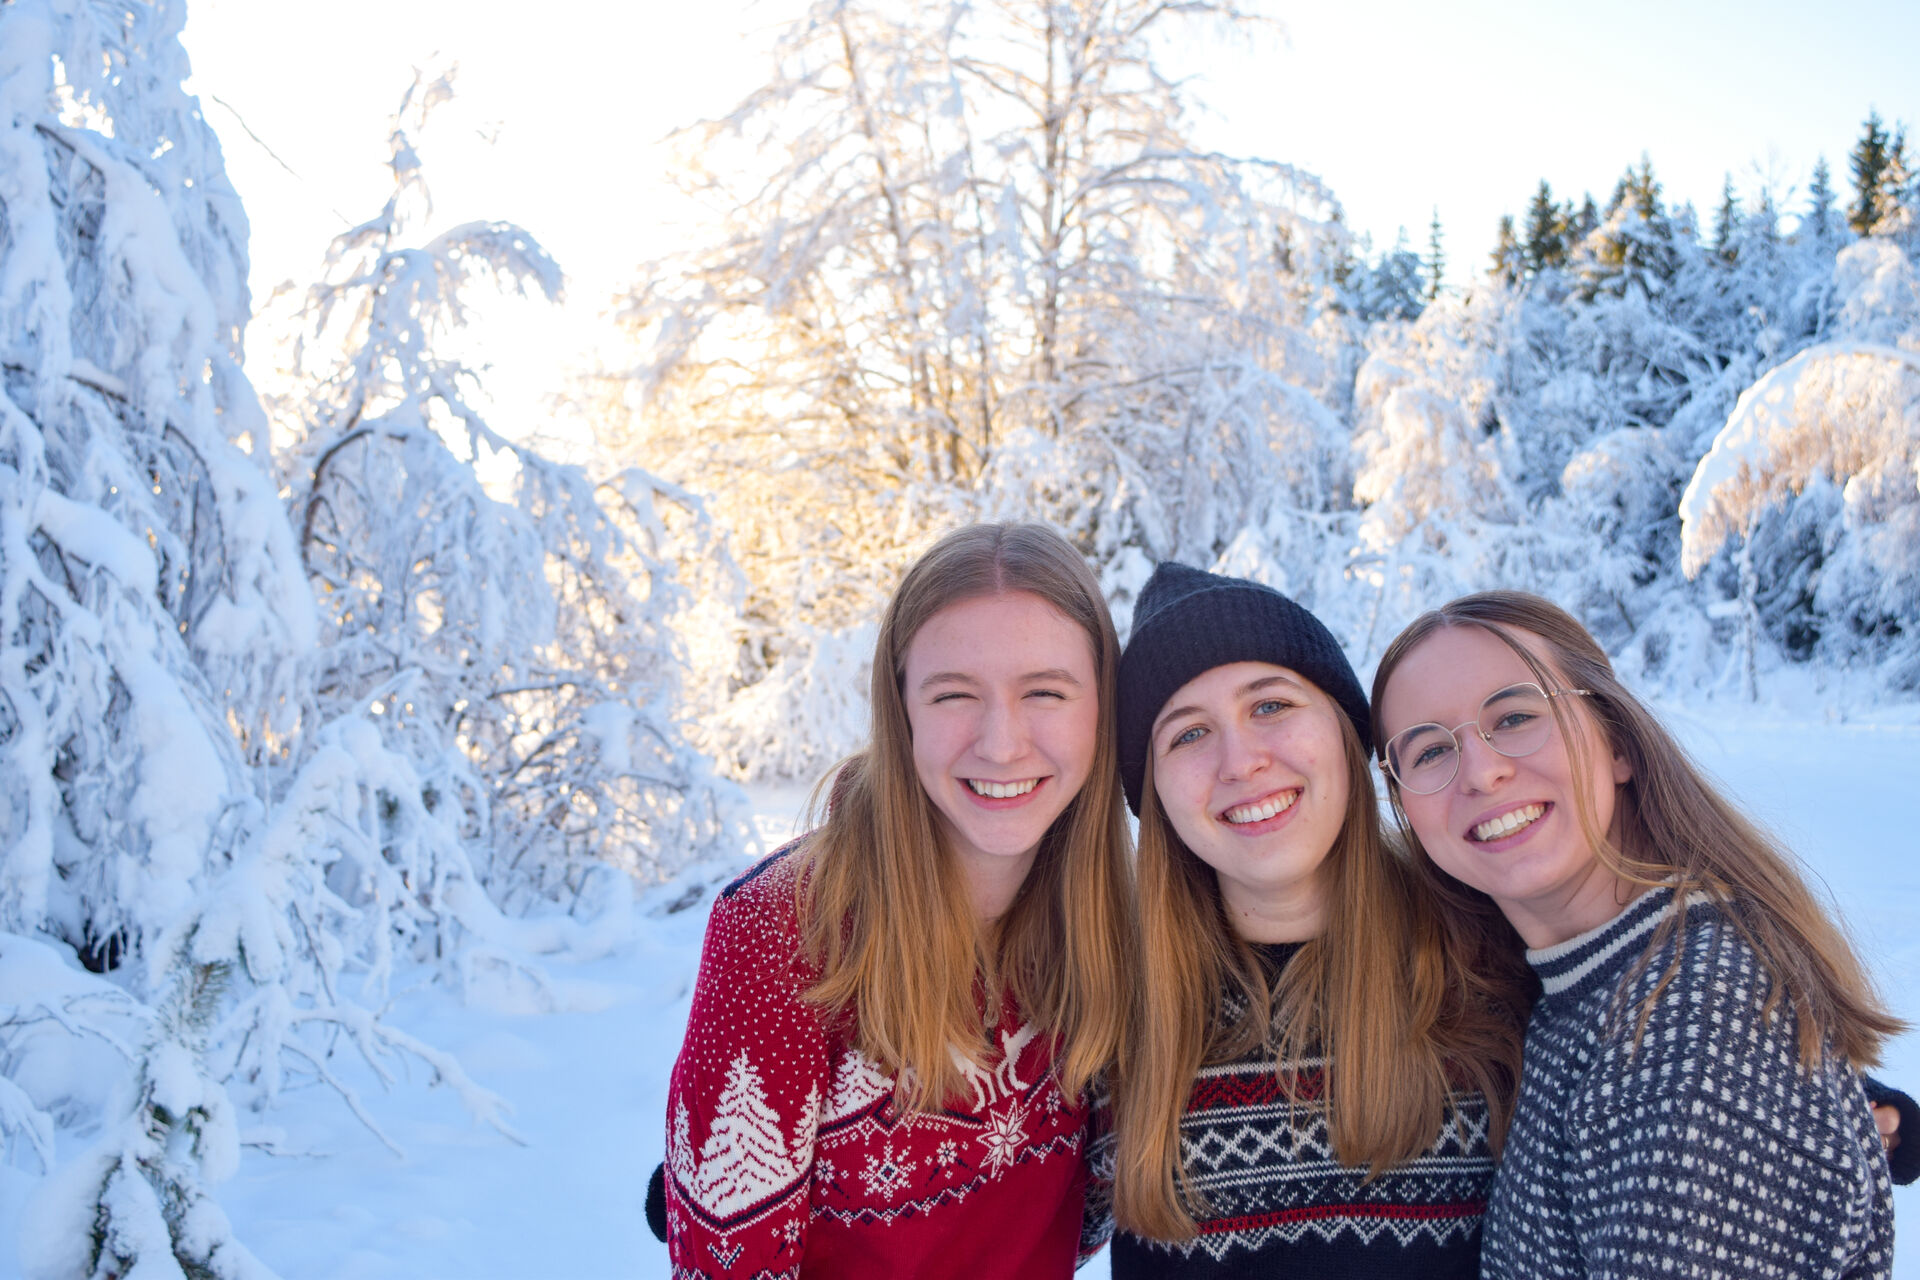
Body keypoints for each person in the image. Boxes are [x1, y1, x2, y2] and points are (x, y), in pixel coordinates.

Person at [1372, 590, 1907, 1279]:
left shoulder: (1697, 1018)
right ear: (1405, 808)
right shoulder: (1587, 985)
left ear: (1617, 741)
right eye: (1427, 752)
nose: (1481, 771)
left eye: (1515, 717)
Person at [657, 523, 1135, 1279]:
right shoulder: (785, 928)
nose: (1002, 742)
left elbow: (1095, 1216)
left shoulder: (1117, 916)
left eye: (1045, 691)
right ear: (901, 707)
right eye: (954, 695)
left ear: (1103, 708)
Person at [1093, 562, 1532, 1277]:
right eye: (1188, 734)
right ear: (1155, 795)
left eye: (1270, 706)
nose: (1241, 760)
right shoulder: (1111, 1018)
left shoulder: (1491, 962)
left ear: (1344, 730)